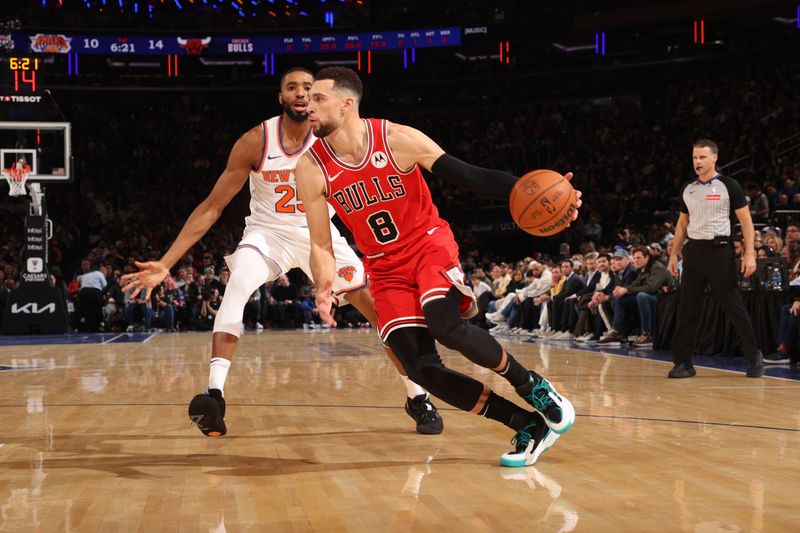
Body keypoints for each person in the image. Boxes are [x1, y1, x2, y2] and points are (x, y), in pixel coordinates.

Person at [121, 67, 442, 437]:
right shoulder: (256, 140)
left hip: (319, 236)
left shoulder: (332, 137)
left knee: (376, 308)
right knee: (238, 284)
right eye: (292, 87)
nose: (302, 93)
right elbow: (212, 207)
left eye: (309, 87)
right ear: (281, 97)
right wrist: (165, 263)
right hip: (267, 234)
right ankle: (214, 394)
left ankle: (416, 395)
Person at [296, 67, 579, 467]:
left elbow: (471, 176)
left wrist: (543, 194)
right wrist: (324, 284)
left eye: (318, 98)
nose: (308, 104)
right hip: (384, 268)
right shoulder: (310, 167)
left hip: (428, 244)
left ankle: (533, 387)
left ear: (347, 103)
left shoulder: (396, 138)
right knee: (421, 369)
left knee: (444, 323)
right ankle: (526, 425)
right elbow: (321, 244)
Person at [668, 139, 764, 378]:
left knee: (733, 307)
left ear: (714, 158)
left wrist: (750, 253)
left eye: (702, 157)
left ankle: (754, 356)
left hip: (720, 252)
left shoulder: (729, 185)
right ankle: (683, 363)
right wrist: (673, 253)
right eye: (694, 158)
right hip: (694, 253)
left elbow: (746, 222)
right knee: (687, 310)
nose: (697, 162)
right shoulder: (687, 188)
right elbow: (682, 223)